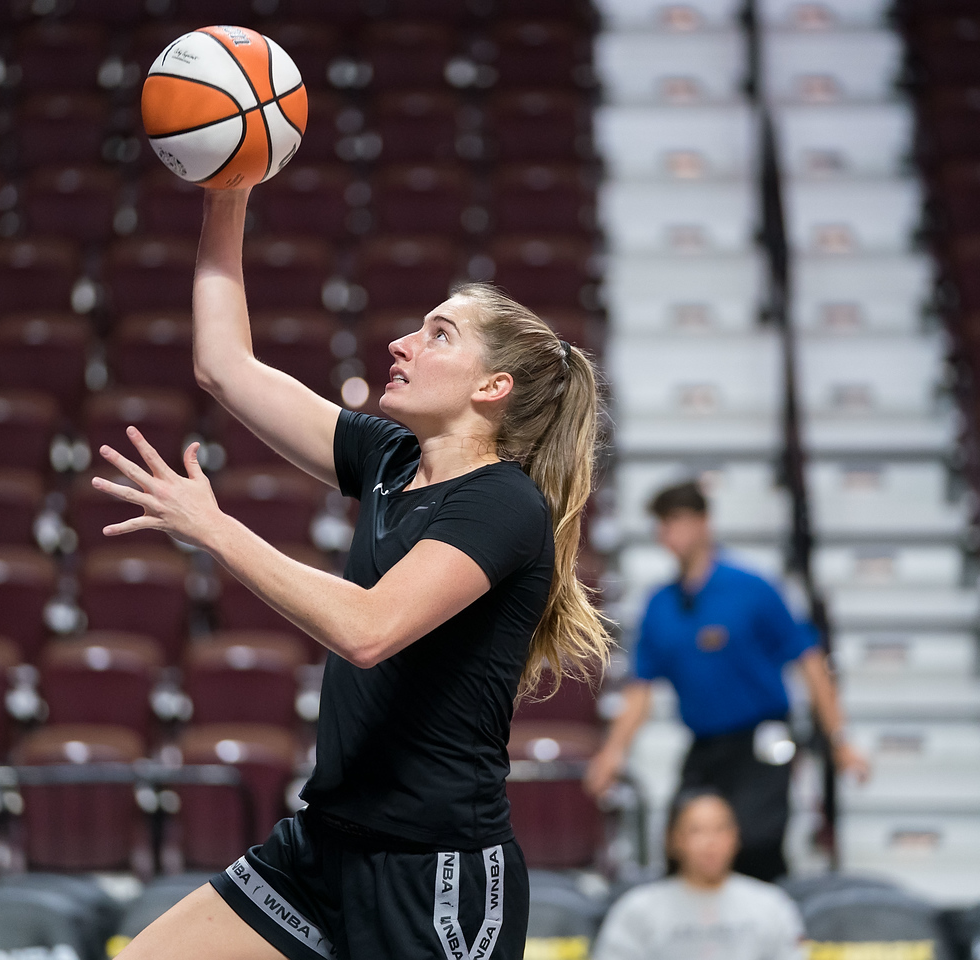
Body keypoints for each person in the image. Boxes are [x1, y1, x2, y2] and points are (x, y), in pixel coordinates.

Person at [93, 186, 611, 960]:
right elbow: (224, 367)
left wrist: (215, 528)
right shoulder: (388, 457)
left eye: (438, 335)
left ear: (491, 388)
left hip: (434, 873)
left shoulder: (504, 505)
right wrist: (228, 194)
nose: (402, 343)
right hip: (323, 848)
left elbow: (367, 629)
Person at [585, 481, 870, 882]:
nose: (670, 534)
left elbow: (810, 663)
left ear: (704, 523)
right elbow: (640, 689)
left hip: (765, 736)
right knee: (686, 841)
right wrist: (613, 753)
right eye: (662, 525)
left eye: (677, 521)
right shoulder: (660, 605)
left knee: (755, 842)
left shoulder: (752, 588)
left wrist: (839, 740)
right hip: (705, 743)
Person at [593, 788, 805, 960]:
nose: (710, 842)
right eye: (697, 830)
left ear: (736, 837)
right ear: (673, 839)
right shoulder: (637, 909)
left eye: (720, 829)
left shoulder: (772, 905)